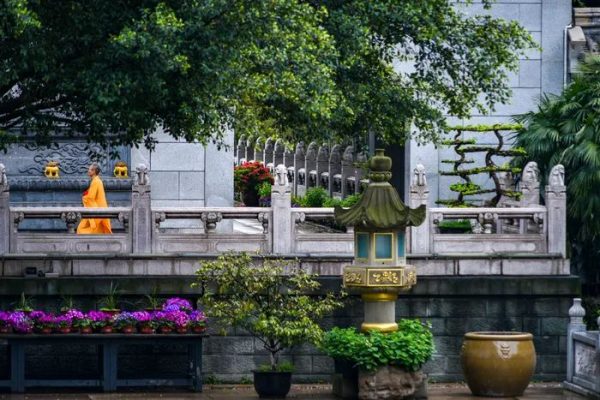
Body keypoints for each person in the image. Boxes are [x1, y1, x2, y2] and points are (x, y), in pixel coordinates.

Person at [77, 162, 112, 234]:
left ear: (94, 171)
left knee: (80, 230)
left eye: (90, 170)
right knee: (99, 231)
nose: (88, 171)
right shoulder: (97, 181)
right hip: (100, 209)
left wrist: (84, 197)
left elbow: (90, 198)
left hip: (96, 210)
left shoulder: (96, 181)